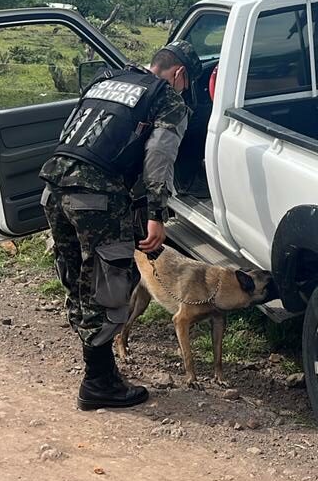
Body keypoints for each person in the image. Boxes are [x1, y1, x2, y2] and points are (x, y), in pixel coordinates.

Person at [40, 41, 200, 410]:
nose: (184, 91)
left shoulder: (106, 82)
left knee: (78, 280)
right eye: (186, 85)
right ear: (179, 74)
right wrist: (156, 214)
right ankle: (98, 382)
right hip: (96, 197)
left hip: (54, 187)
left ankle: (100, 373)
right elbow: (159, 156)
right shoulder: (167, 99)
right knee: (107, 284)